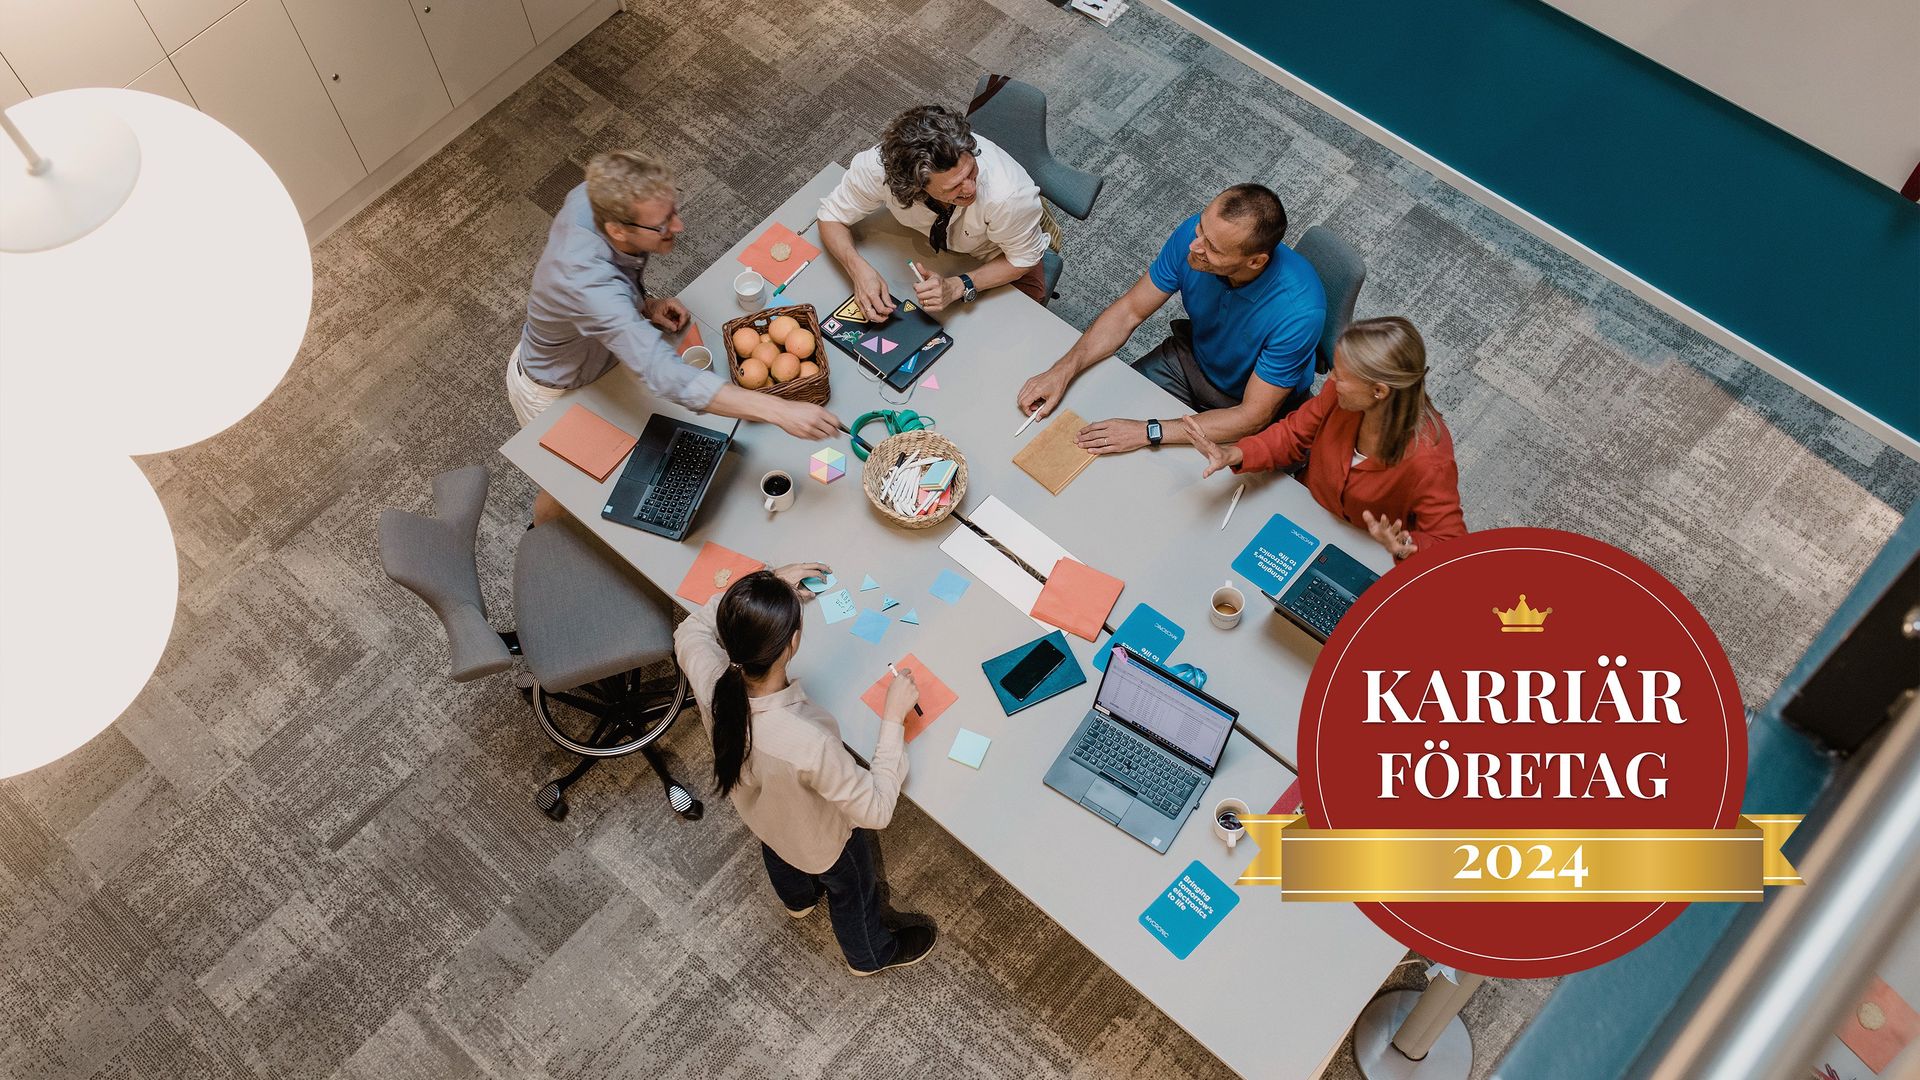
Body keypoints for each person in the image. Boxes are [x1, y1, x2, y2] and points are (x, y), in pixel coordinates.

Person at [673, 563, 937, 976]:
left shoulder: (709, 676)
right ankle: (869, 955)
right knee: (852, 888)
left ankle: (798, 900)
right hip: (823, 841)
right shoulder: (807, 743)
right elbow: (876, 809)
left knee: (778, 849)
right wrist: (892, 719)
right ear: (792, 643)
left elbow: (689, 630)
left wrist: (768, 590)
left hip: (763, 816)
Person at [511, 150, 840, 433]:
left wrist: (644, 305)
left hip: (606, 353)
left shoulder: (597, 195)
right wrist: (779, 410)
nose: (679, 227)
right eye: (662, 224)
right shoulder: (585, 282)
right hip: (560, 388)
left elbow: (609, 288)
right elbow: (662, 372)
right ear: (617, 229)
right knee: (582, 479)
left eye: (673, 210)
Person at [1016, 184, 1326, 457]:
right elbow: (1129, 311)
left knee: (1183, 486)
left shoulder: (1300, 312)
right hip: (1191, 360)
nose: (1195, 245)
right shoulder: (1196, 237)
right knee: (1092, 425)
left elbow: (1251, 415)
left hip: (1252, 400)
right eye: (1201, 228)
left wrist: (1147, 431)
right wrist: (1063, 369)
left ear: (1255, 261)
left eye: (1213, 248)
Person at [1183, 317, 1466, 561]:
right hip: (1304, 511)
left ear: (1379, 391)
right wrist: (1235, 453)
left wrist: (1406, 546)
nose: (1330, 380)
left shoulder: (1430, 461)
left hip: (1361, 550)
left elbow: (1451, 546)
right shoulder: (1340, 394)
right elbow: (1294, 434)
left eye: (1341, 376)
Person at [817, 104, 1051, 314]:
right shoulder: (879, 168)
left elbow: (1023, 259)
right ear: (915, 187)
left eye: (971, 171)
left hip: (999, 252)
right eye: (954, 186)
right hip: (933, 251)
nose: (970, 188)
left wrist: (959, 285)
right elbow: (831, 216)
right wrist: (857, 269)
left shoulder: (1008, 197)